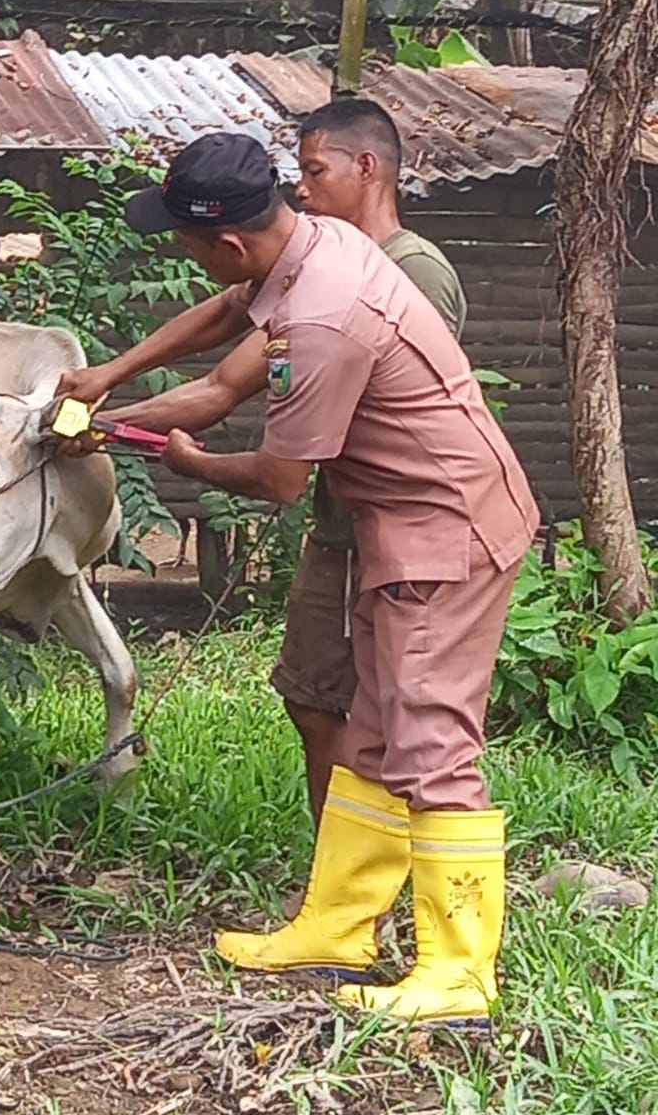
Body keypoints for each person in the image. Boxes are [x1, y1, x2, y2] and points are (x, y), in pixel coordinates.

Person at [56, 131, 538, 1024]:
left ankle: (461, 973)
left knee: (430, 742)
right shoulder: (317, 243)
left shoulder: (322, 318)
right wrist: (113, 383)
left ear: (229, 239)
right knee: (371, 737)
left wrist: (172, 455)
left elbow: (280, 481)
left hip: (445, 533)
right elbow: (224, 316)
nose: (184, 253)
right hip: (399, 528)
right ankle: (337, 926)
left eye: (185, 240)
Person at [281, 101, 467, 828]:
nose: (300, 189)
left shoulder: (412, 271)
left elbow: (387, 405)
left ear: (367, 168)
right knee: (311, 693)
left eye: (313, 170)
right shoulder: (326, 269)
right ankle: (336, 869)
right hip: (338, 528)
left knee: (393, 719)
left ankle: (376, 884)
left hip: (396, 535)